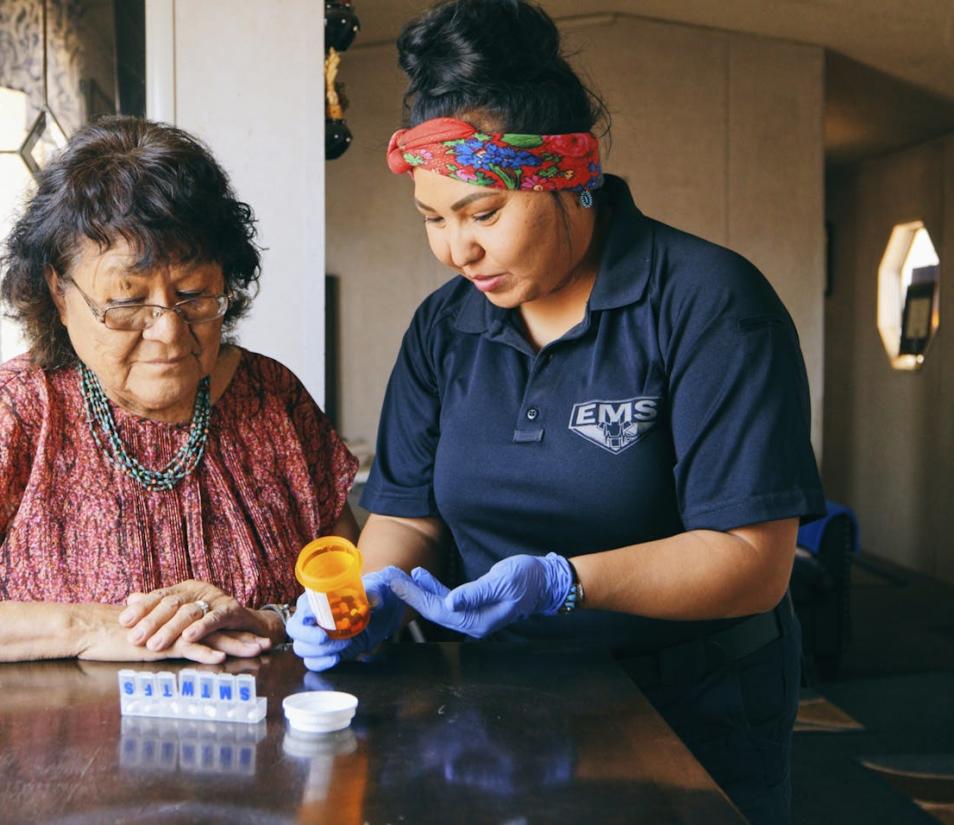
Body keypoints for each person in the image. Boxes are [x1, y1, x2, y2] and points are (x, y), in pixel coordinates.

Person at [287, 2, 823, 822]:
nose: (455, 251)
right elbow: (407, 512)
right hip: (499, 699)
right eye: (433, 218)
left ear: (572, 182)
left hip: (689, 705)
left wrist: (562, 582)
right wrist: (368, 596)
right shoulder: (444, 325)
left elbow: (754, 562)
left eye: (483, 214)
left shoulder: (711, 304)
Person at [0, 116, 358, 668]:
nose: (169, 331)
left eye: (194, 293)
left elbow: (355, 599)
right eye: (127, 302)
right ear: (59, 291)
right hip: (52, 768)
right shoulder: (16, 416)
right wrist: (88, 627)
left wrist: (270, 622)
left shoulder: (272, 400)